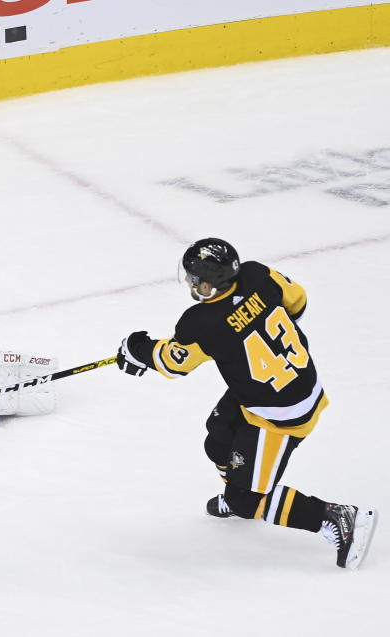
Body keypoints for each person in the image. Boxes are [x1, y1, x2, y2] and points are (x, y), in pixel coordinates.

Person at [116, 237, 377, 569]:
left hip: (280, 414)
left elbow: (174, 362)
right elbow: (298, 302)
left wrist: (137, 350)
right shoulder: (257, 274)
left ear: (210, 282)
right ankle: (241, 485)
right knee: (219, 436)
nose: (191, 284)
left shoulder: (201, 322)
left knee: (245, 501)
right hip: (281, 383)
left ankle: (333, 517)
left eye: (195, 278)